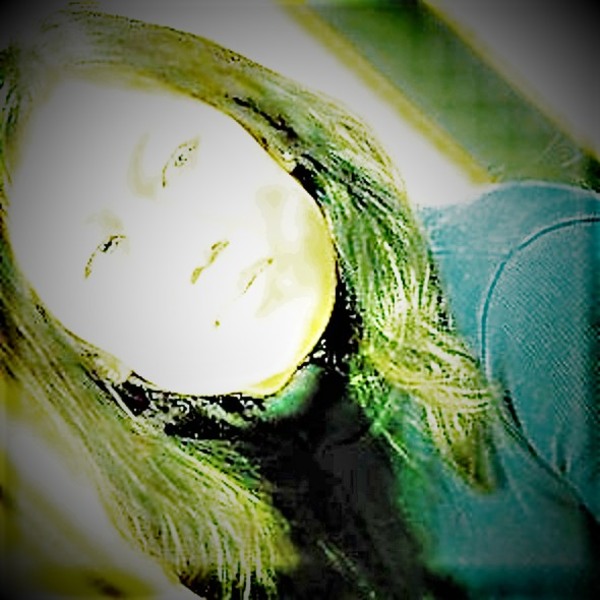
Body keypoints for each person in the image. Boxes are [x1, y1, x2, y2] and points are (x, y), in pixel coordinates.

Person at [0, 4, 597, 599]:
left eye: (177, 161)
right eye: (105, 251)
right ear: (94, 353)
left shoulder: (540, 288)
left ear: (262, 129)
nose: (191, 245)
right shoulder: (212, 534)